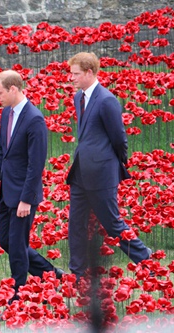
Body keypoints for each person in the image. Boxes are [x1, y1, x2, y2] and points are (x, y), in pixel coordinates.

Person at [66, 52, 151, 280]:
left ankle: (146, 260)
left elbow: (119, 138)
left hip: (102, 174)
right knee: (76, 224)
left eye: (75, 74)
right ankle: (77, 273)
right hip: (80, 173)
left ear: (89, 73)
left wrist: (112, 164)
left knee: (112, 223)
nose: (71, 78)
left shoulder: (106, 100)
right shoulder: (78, 98)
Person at [0, 70, 64, 300]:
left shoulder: (34, 118)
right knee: (5, 241)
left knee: (18, 245)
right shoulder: (5, 113)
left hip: (23, 194)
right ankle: (52, 275)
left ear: (13, 89)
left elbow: (35, 164)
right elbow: (3, 151)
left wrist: (27, 199)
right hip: (5, 190)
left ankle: (17, 292)